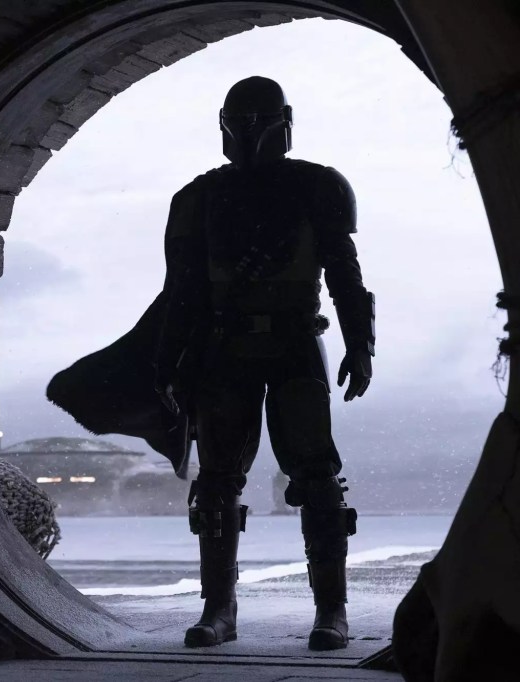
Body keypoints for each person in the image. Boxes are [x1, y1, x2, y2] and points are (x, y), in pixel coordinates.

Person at [153, 75, 375, 651]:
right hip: (224, 345)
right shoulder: (199, 198)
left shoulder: (318, 186)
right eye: (240, 120)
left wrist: (361, 342)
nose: (248, 132)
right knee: (217, 480)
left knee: (316, 476)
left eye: (257, 119)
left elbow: (344, 273)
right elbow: (182, 292)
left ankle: (331, 610)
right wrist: (170, 362)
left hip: (294, 339)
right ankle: (219, 608)